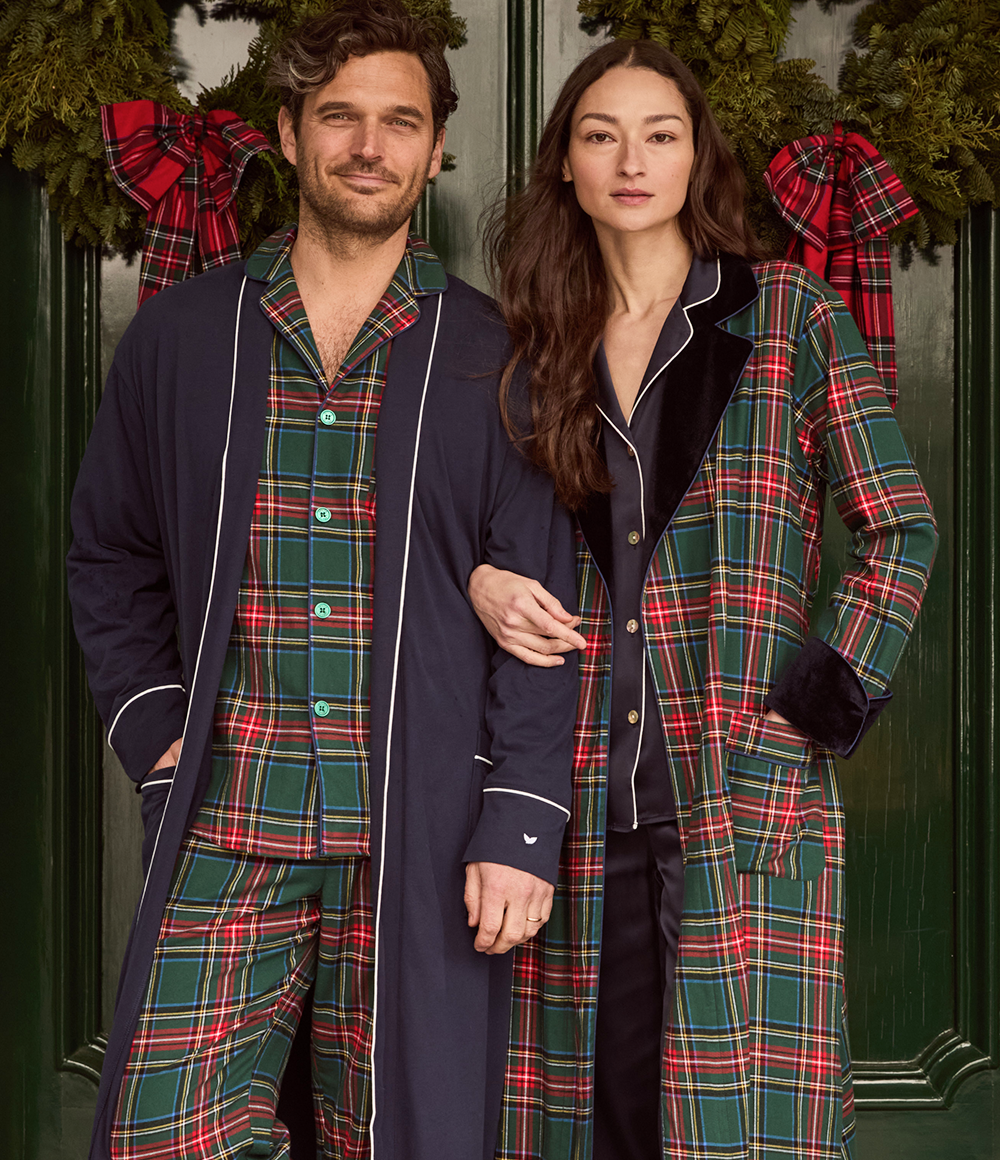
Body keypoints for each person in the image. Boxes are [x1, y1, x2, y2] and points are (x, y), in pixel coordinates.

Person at [66, 4, 578, 1158]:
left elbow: (544, 611)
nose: (368, 145)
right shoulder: (182, 338)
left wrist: (519, 818)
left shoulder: (496, 357)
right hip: (225, 814)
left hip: (420, 832)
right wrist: (155, 732)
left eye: (400, 121)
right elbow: (110, 552)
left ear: (435, 148)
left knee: (401, 1138)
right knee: (161, 1135)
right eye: (339, 116)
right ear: (290, 134)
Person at [469, 39, 937, 1160]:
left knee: (740, 1128)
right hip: (571, 800)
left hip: (740, 798)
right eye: (601, 136)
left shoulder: (786, 317)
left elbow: (901, 530)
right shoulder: (528, 344)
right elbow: (465, 529)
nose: (631, 161)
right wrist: (478, 579)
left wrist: (801, 718)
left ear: (696, 157)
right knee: (585, 1128)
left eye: (660, 135)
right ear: (567, 164)